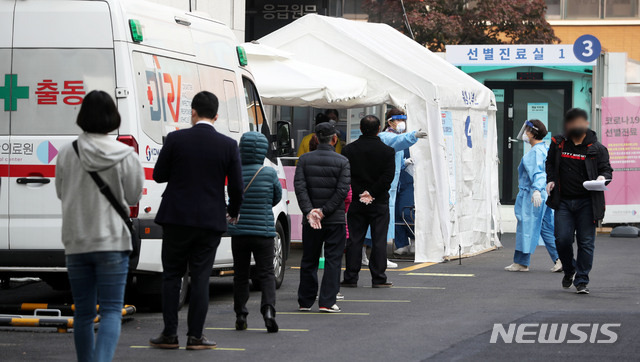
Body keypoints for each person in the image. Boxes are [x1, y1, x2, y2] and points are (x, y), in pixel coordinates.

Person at [55, 90, 144, 362]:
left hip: (77, 242)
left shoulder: (67, 153)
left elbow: (61, 192)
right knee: (110, 311)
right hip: (113, 244)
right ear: (112, 118)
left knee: (82, 314)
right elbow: (133, 197)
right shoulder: (126, 154)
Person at [150, 91, 243, 349]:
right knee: (201, 277)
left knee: (172, 275)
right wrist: (233, 211)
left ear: (192, 112)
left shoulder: (176, 139)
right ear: (216, 116)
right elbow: (236, 187)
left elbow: (159, 175)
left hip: (176, 217)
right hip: (210, 221)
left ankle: (169, 334)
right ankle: (195, 336)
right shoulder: (227, 145)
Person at [546, 108, 613, 294]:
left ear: (585, 125)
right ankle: (569, 270)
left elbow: (607, 171)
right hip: (564, 202)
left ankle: (582, 280)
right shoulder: (559, 143)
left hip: (587, 203)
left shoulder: (597, 148)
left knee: (586, 243)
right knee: (562, 240)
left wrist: (602, 178)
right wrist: (550, 180)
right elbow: (550, 163)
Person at [228, 132, 282, 333]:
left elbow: (231, 199)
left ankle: (241, 314)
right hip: (264, 232)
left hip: (239, 232)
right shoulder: (269, 173)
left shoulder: (236, 172)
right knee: (266, 273)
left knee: (240, 275)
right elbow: (276, 197)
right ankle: (268, 311)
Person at [295, 122, 350, 313]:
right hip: (334, 218)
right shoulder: (342, 161)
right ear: (334, 139)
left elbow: (300, 188)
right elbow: (342, 191)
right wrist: (324, 211)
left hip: (310, 219)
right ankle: (327, 301)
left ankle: (305, 300)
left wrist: (310, 211)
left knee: (309, 258)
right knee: (333, 259)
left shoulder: (304, 160)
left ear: (315, 138)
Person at [362, 109, 427, 267]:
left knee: (377, 224)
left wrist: (404, 164)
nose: (402, 122)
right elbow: (398, 142)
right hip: (382, 189)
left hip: (388, 188)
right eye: (399, 119)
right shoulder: (385, 136)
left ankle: (366, 256)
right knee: (378, 225)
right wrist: (413, 136)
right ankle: (376, 257)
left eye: (404, 119)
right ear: (389, 122)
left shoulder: (390, 137)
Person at [341, 115, 396, 288]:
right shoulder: (388, 151)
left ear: (361, 128)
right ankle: (379, 277)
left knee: (355, 239)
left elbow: (347, 176)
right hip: (379, 201)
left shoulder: (349, 150)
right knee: (379, 240)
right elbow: (388, 178)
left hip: (357, 201)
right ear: (379, 128)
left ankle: (351, 277)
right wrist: (371, 192)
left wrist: (360, 192)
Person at [504, 120, 561, 273]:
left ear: (532, 133)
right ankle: (560, 259)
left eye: (527, 130)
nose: (525, 133)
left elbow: (538, 173)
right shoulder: (544, 149)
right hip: (544, 194)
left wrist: (536, 189)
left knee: (526, 226)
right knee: (546, 227)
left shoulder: (534, 153)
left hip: (532, 194)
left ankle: (521, 262)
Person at [394, 149, 416, 256]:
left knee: (406, 211)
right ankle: (401, 243)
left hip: (408, 180)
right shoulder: (391, 140)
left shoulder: (411, 144)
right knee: (395, 213)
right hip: (393, 180)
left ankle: (414, 238)